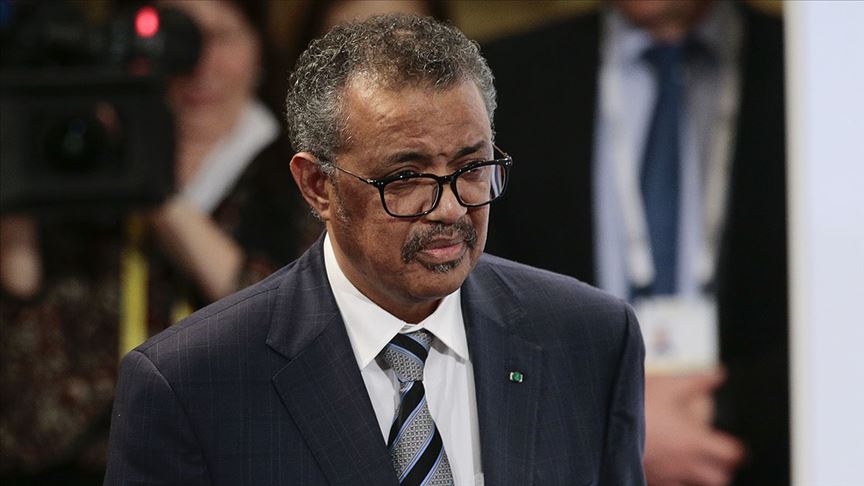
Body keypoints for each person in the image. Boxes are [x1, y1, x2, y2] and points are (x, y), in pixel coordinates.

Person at [104, 14, 646, 485]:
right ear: (317, 186)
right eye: (406, 176)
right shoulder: (190, 382)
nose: (450, 209)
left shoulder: (591, 338)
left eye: (471, 168)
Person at [0, 1, 313, 482]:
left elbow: (302, 336)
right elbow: (27, 422)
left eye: (219, 36)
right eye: (173, 36)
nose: (197, 61)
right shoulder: (77, 165)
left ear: (259, 52)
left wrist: (161, 201)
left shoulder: (308, 180)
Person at [482, 0, 786, 485]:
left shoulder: (820, 69)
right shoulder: (500, 80)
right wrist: (610, 421)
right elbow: (472, 307)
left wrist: (720, 411)